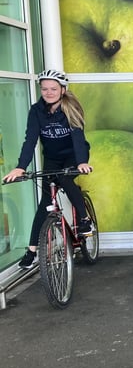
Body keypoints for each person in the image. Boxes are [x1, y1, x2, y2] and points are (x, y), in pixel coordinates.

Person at [2, 69, 93, 270]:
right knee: (45, 202)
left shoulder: (71, 108)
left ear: (62, 89)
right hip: (52, 159)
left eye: (53, 88)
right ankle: (32, 250)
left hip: (73, 157)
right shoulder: (36, 111)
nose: (49, 92)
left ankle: (85, 219)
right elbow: (30, 140)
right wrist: (20, 167)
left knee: (67, 180)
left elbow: (78, 138)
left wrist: (81, 162)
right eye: (44, 89)